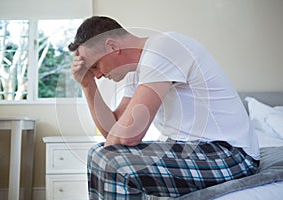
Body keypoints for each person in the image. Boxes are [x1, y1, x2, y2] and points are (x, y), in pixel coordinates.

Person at [68, 16, 260, 199]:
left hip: (231, 154)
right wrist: (87, 85)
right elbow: (113, 131)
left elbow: (127, 136)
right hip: (192, 149)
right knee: (97, 153)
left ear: (112, 46)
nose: (98, 75)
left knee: (111, 161)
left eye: (95, 66)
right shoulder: (137, 70)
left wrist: (108, 154)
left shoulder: (164, 48)